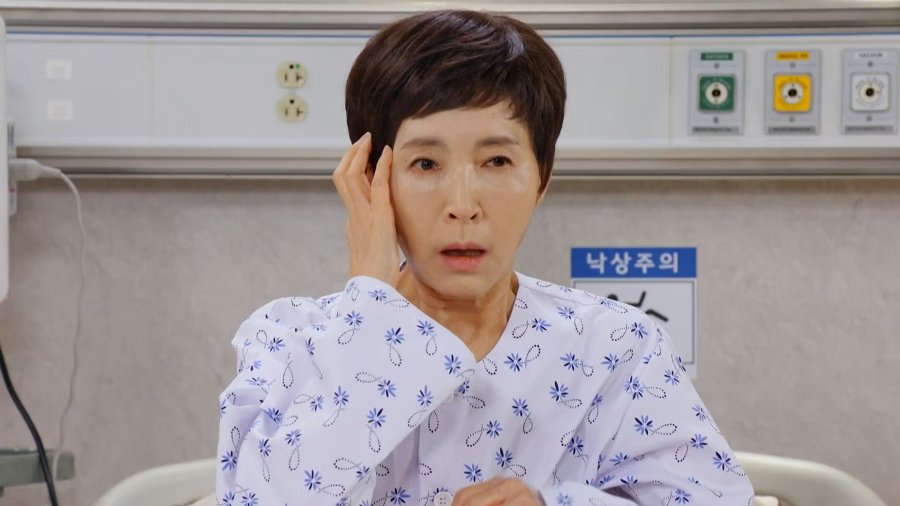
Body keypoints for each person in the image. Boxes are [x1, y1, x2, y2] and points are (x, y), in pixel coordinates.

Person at [216, 9, 754, 506]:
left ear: (541, 177)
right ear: (371, 180)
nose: (463, 205)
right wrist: (371, 307)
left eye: (496, 161)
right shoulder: (288, 342)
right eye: (426, 164)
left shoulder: (616, 349)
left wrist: (552, 504)